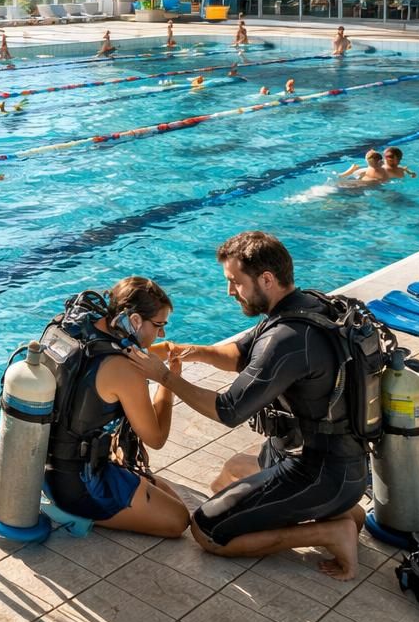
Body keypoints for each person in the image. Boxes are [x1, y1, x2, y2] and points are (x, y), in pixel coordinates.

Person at [126, 231, 369, 580]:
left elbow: (227, 410)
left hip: (317, 471)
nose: (229, 292)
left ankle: (329, 530)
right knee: (230, 472)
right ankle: (346, 512)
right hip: (335, 460)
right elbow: (238, 354)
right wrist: (187, 350)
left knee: (208, 530)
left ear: (266, 279)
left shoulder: (287, 339)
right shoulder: (304, 307)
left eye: (235, 282)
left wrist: (165, 378)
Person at [45, 277, 190, 537]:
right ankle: (72, 513)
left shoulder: (75, 329)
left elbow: (98, 363)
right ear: (134, 321)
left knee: (167, 492)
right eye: (158, 325)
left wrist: (158, 353)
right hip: (78, 484)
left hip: (44, 468)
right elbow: (155, 438)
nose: (162, 334)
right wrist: (168, 382)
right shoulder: (123, 370)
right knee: (178, 519)